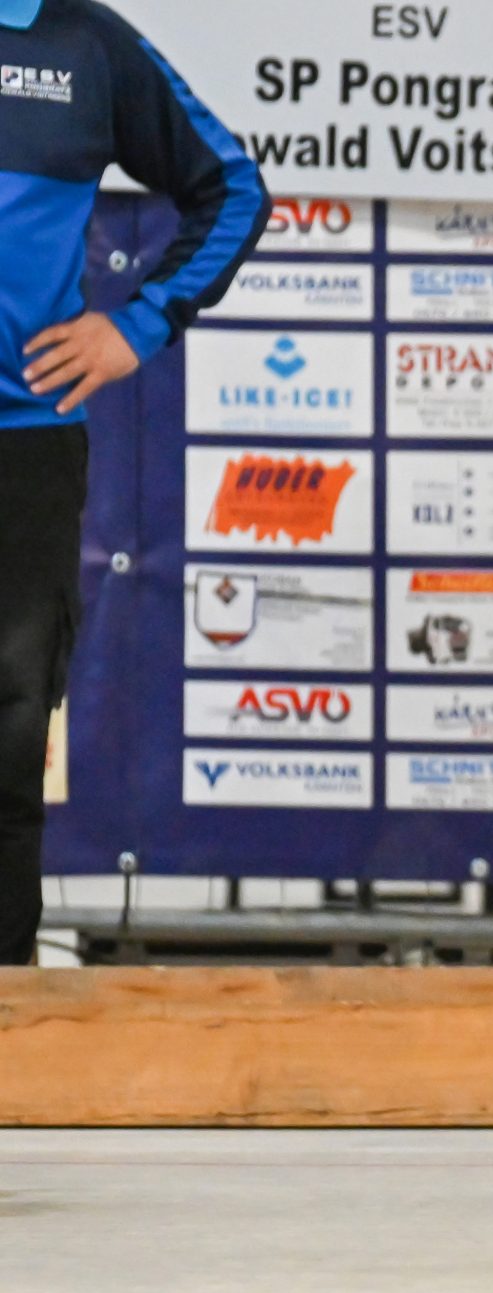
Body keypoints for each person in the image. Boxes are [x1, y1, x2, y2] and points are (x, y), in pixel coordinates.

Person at [0, 0, 269, 965]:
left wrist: (140, 323)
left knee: (8, 731)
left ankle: (6, 1027)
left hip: (21, 447)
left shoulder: (83, 43)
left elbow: (232, 187)